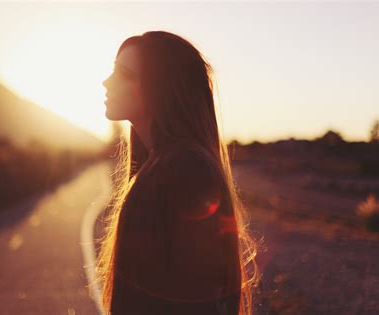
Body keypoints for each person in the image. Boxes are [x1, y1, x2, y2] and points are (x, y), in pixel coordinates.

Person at [93, 30, 261, 315]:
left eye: (124, 73)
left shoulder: (184, 170)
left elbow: (199, 299)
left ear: (160, 87)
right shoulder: (162, 166)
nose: (106, 82)